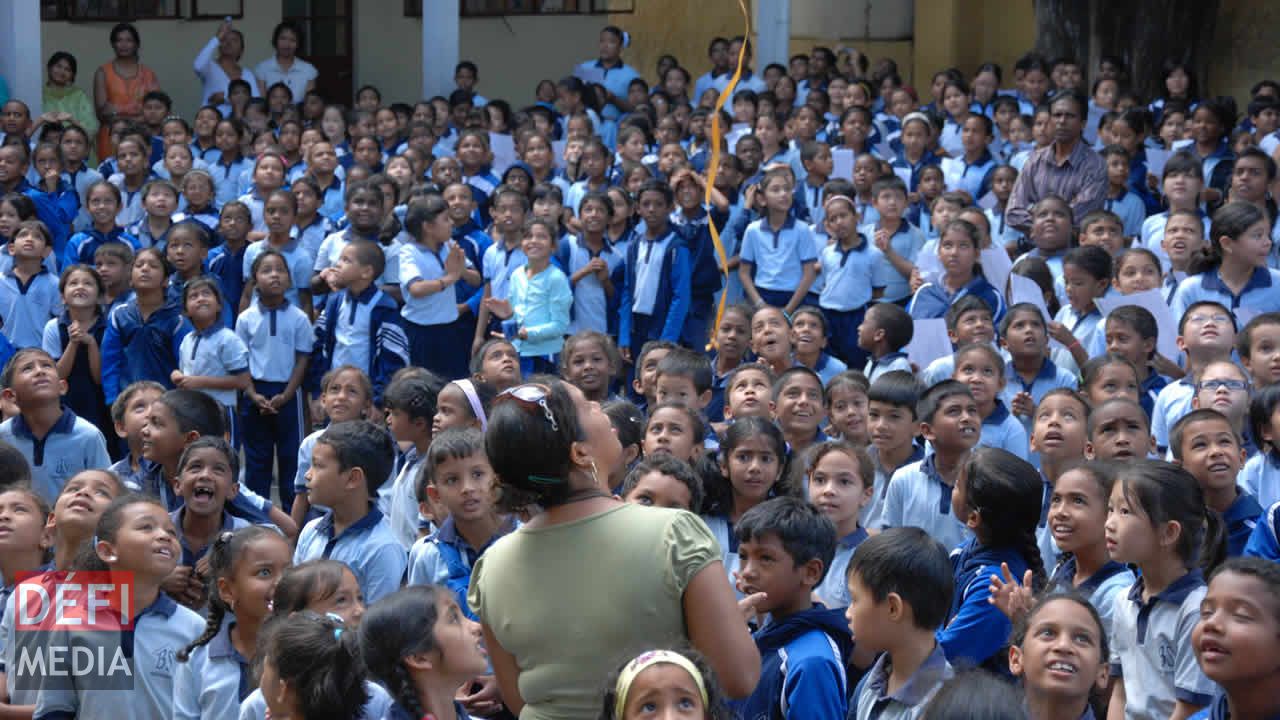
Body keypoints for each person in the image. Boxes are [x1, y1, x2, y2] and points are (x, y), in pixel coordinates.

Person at [468, 379, 760, 720]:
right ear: (580, 453)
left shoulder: (491, 566)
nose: (599, 406)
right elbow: (738, 678)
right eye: (586, 406)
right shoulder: (673, 533)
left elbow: (518, 699)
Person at [32, 495, 206, 720]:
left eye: (171, 532)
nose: (164, 536)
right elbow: (54, 709)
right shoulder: (72, 624)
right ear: (107, 551)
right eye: (146, 527)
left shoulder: (194, 628)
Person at [733, 497, 852, 720]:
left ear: (811, 572)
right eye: (743, 556)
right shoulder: (757, 636)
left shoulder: (812, 663)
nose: (747, 571)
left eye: (765, 558)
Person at [172, 525, 291, 720]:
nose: (281, 582)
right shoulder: (200, 660)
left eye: (288, 571)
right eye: (264, 572)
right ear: (227, 590)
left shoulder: (305, 654)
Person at [845, 527, 956, 720]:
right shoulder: (872, 682)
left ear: (893, 608)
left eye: (855, 599)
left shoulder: (945, 706)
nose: (848, 612)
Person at [294, 420, 407, 604]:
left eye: (318, 466)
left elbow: (375, 626)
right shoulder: (311, 531)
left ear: (353, 478)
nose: (308, 474)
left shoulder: (382, 548)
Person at [0, 348, 111, 504]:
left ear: (62, 387)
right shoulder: (3, 437)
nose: (40, 371)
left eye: (46, 366)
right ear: (10, 396)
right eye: (28, 368)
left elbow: (106, 491)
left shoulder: (88, 436)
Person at [1005, 92, 1107, 233]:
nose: (1062, 121)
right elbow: (1013, 213)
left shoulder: (1095, 165)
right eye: (1057, 115)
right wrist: (1055, 221)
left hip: (1076, 249)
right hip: (1035, 248)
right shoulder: (1035, 160)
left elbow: (1080, 217)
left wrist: (1036, 213)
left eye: (1070, 116)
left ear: (1083, 123)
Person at [92, 23, 160, 160]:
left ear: (136, 44)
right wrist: (137, 114)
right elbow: (103, 114)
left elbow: (155, 112)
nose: (123, 44)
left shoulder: (148, 74)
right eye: (119, 40)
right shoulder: (103, 72)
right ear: (113, 44)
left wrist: (117, 111)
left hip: (141, 136)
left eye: (128, 40)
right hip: (111, 136)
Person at [194, 19, 260, 110]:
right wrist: (217, 37)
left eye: (234, 40)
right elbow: (198, 66)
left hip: (239, 123)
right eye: (224, 39)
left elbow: (256, 102)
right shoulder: (209, 67)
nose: (228, 43)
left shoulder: (247, 74)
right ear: (219, 45)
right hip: (212, 121)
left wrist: (225, 99)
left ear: (242, 49)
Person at [41, 52, 99, 147]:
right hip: (46, 149)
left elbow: (91, 129)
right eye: (58, 66)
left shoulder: (79, 95)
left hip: (76, 147)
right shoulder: (39, 94)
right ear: (49, 67)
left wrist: (71, 120)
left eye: (67, 69)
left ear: (72, 75)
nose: (62, 72)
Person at [254, 21, 318, 101]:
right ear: (276, 40)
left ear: (298, 44)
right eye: (283, 38)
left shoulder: (308, 70)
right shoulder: (262, 68)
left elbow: (309, 104)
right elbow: (261, 103)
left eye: (292, 40)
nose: (287, 44)